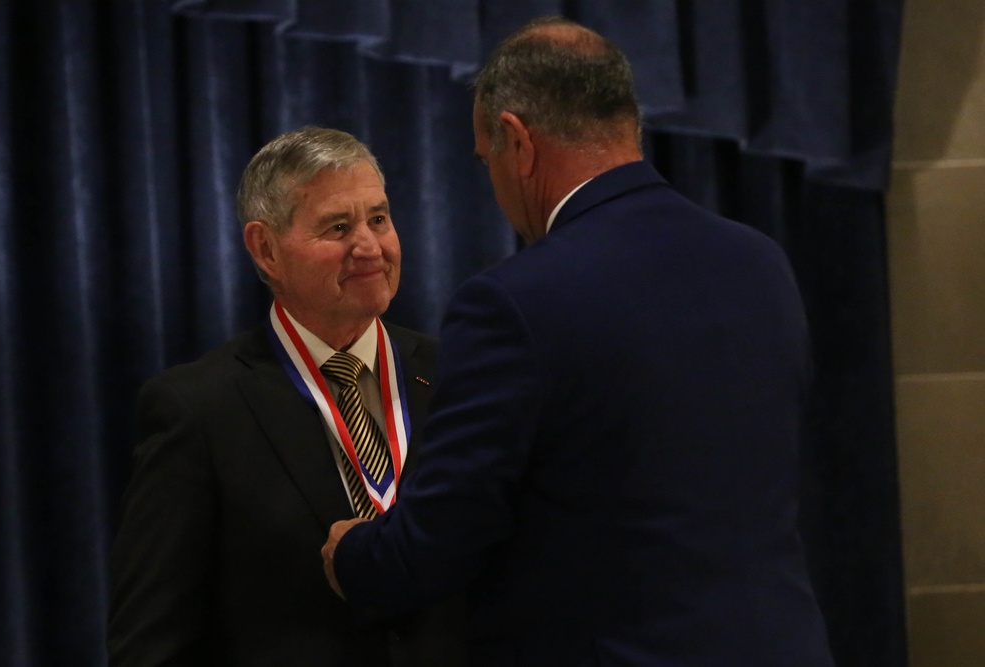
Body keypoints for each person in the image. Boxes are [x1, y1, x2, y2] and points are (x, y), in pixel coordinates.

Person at [321, 17, 835, 667]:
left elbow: (440, 537)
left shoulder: (514, 303)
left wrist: (353, 553)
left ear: (517, 141)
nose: (497, 185)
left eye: (488, 161)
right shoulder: (761, 263)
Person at [107, 126, 466, 666]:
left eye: (379, 219)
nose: (368, 246)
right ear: (266, 248)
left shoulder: (461, 376)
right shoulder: (199, 409)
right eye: (338, 227)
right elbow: (150, 643)